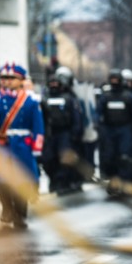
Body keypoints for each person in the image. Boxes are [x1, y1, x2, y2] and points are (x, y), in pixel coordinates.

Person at [0, 63, 44, 229]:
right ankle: (7, 209)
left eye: (12, 78)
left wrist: (37, 147)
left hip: (23, 146)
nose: (7, 81)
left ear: (21, 80)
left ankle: (20, 214)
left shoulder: (30, 101)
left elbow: (38, 125)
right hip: (3, 146)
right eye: (4, 78)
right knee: (2, 180)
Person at [96, 69, 132, 194]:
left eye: (116, 80)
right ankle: (112, 183)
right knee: (109, 158)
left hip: (125, 130)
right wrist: (99, 128)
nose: (114, 82)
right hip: (109, 130)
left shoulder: (128, 96)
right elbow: (98, 114)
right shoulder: (105, 97)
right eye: (112, 80)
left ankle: (125, 183)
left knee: (125, 158)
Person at [40, 66, 85, 195]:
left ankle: (63, 182)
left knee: (64, 159)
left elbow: (76, 116)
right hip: (50, 133)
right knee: (49, 159)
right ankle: (54, 181)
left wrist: (75, 134)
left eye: (56, 83)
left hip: (65, 133)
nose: (54, 85)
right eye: (52, 83)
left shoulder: (69, 97)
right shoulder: (45, 97)